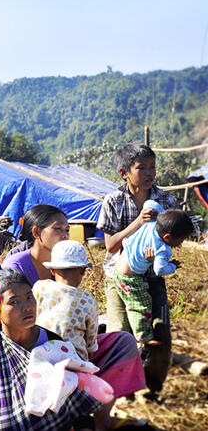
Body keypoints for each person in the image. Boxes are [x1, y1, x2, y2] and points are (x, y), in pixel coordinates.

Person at [0, 268, 127, 431]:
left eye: (29, 297)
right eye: (14, 302)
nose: (27, 307)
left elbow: (75, 403)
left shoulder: (53, 344)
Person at [34, 240, 147, 428]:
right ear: (82, 271)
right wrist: (89, 364)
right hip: (72, 362)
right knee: (122, 343)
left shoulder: (39, 287)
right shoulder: (87, 301)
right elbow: (91, 346)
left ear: (52, 271)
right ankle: (103, 419)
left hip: (39, 355)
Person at [96, 142, 175, 401]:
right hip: (120, 276)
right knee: (121, 332)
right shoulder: (113, 201)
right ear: (124, 172)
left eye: (153, 166)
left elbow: (173, 238)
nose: (150, 173)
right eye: (142, 167)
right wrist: (138, 222)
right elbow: (110, 246)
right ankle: (124, 390)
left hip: (152, 276)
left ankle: (151, 390)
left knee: (159, 332)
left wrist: (163, 249)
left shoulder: (165, 200)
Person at [113, 201, 193, 346]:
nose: (180, 244)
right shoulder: (163, 249)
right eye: (180, 241)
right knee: (141, 305)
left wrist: (160, 214)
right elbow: (160, 270)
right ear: (167, 237)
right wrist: (172, 266)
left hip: (118, 268)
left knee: (137, 301)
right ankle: (144, 337)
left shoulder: (151, 223)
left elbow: (150, 203)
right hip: (129, 279)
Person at [1, 204, 70, 285]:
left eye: (67, 230)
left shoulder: (67, 264)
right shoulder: (15, 267)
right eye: (58, 228)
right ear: (36, 232)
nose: (65, 235)